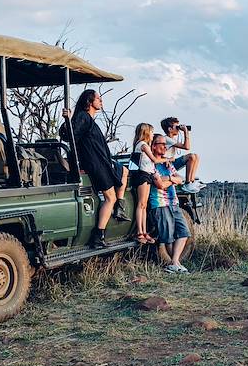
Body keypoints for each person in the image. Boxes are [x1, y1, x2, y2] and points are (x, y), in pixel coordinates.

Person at [60, 89, 131, 249]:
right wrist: (67, 120)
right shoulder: (83, 117)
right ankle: (98, 236)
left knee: (123, 172)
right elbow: (69, 136)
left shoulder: (88, 119)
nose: (101, 101)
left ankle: (119, 208)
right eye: (98, 98)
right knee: (109, 198)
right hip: (95, 164)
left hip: (101, 162)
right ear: (89, 101)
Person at [149, 133, 191, 273]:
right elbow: (159, 185)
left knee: (184, 232)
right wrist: (171, 179)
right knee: (168, 236)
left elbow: (180, 179)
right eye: (161, 144)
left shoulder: (167, 163)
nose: (165, 146)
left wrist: (169, 179)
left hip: (173, 202)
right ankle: (175, 264)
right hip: (160, 203)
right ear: (153, 146)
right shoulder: (150, 164)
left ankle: (174, 262)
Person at [131, 123, 169, 245]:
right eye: (152, 132)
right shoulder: (143, 145)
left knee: (144, 205)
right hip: (142, 175)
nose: (153, 134)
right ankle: (139, 232)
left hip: (146, 174)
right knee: (141, 204)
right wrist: (168, 159)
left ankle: (144, 231)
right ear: (146, 132)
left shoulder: (143, 145)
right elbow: (155, 160)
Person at [160, 116, 204, 193]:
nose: (178, 128)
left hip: (171, 164)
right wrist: (185, 132)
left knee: (196, 156)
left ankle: (191, 181)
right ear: (170, 129)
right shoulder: (167, 139)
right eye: (176, 127)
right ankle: (187, 183)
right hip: (166, 165)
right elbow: (187, 147)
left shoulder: (172, 139)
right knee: (191, 156)